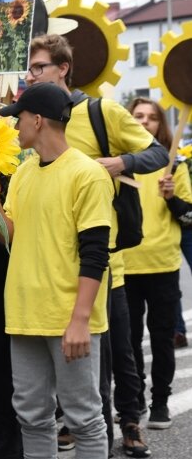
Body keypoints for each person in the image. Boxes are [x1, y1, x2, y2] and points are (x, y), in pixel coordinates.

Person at [27, 34, 166, 456]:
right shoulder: (34, 119)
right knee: (84, 369)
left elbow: (157, 152)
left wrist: (118, 162)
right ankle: (91, 430)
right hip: (54, 266)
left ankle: (129, 424)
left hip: (104, 261)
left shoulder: (101, 111)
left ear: (63, 68)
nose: (30, 76)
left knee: (117, 355)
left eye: (38, 68)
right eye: (29, 69)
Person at [0, 82, 112, 458]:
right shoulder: (23, 174)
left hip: (69, 317)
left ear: (37, 120)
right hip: (24, 316)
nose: (14, 126)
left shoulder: (87, 174)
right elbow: (13, 237)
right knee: (32, 417)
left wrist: (80, 320)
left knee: (84, 419)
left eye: (18, 118)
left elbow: (95, 253)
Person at [123, 97, 192, 433]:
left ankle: (161, 400)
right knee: (130, 340)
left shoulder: (174, 167)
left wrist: (172, 198)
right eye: (138, 116)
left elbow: (190, 217)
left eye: (151, 117)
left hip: (162, 264)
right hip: (126, 265)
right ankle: (134, 400)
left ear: (161, 125)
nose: (144, 122)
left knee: (162, 338)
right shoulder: (121, 166)